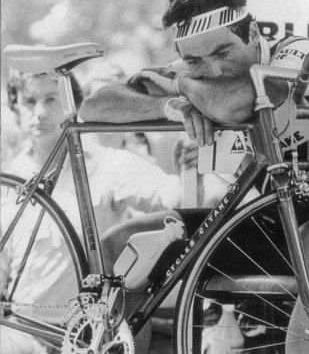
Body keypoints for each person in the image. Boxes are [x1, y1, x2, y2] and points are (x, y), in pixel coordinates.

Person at [80, 0, 309, 353]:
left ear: (253, 34)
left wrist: (182, 84)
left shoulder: (300, 54)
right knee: (121, 243)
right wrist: (170, 107)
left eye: (223, 52)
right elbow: (94, 105)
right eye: (196, 60)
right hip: (266, 225)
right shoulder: (196, 76)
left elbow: (240, 102)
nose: (215, 70)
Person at [2, 72, 181, 354]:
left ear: (73, 104)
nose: (39, 112)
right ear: (16, 108)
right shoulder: (9, 178)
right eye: (29, 101)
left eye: (50, 99)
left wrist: (190, 164)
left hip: (91, 334)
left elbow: (174, 196)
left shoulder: (109, 165)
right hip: (25, 332)